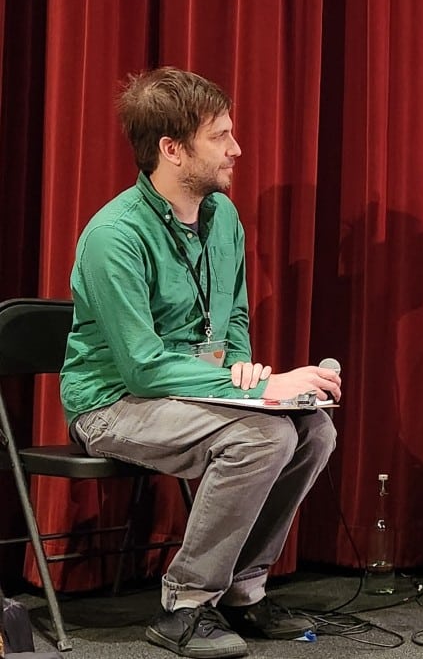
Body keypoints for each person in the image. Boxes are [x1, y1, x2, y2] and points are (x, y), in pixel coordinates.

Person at [60, 67, 341, 658]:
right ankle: (184, 605)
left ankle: (244, 587)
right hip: (114, 404)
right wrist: (254, 391)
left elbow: (233, 318)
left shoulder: (223, 218)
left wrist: (248, 375)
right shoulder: (115, 235)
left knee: (314, 428)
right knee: (262, 437)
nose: (236, 149)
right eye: (220, 136)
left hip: (195, 393)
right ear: (171, 149)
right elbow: (141, 367)